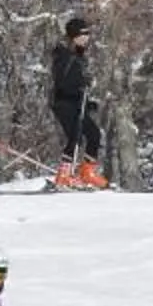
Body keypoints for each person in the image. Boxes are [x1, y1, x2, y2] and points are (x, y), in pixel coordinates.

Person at [48, 16, 106, 189]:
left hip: (76, 102)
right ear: (73, 36)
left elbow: (79, 84)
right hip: (63, 102)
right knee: (75, 137)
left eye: (88, 34)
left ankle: (87, 172)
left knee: (94, 134)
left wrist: (87, 102)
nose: (87, 38)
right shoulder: (64, 55)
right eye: (83, 34)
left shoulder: (79, 56)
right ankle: (64, 175)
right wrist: (80, 86)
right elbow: (62, 82)